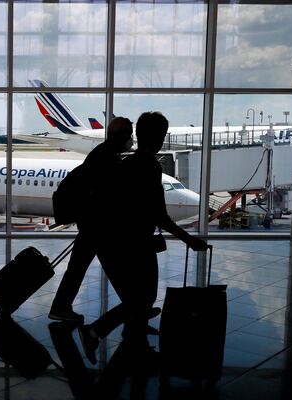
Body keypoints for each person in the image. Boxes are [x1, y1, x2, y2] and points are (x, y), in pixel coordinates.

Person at [78, 111, 208, 361]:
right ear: (159, 138)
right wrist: (188, 239)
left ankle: (132, 338)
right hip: (135, 243)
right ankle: (95, 331)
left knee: (139, 298)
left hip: (121, 241)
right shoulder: (149, 166)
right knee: (141, 299)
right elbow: (160, 215)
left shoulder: (127, 164)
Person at [49, 117, 135, 324]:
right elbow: (106, 194)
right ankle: (135, 308)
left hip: (92, 223)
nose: (131, 139)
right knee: (115, 269)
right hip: (97, 225)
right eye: (129, 134)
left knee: (81, 268)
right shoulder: (108, 158)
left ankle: (60, 307)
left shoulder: (102, 153)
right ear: (121, 135)